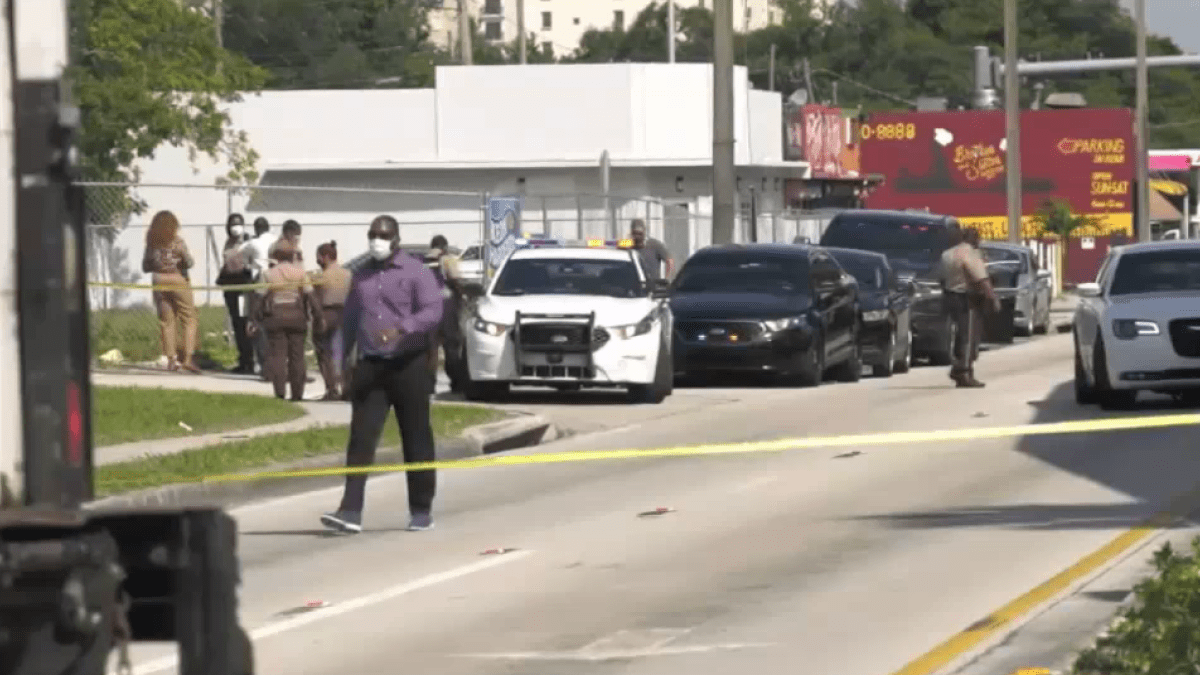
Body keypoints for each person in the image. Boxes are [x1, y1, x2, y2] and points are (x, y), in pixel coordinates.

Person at [320, 215, 444, 534]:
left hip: (409, 365)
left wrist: (403, 328)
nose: (377, 240)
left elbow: (433, 311)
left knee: (416, 438)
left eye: (383, 235)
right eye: (372, 234)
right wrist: (338, 361)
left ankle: (420, 509)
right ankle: (350, 510)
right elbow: (348, 322)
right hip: (371, 366)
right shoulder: (360, 277)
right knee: (360, 439)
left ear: (396, 239)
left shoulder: (416, 272)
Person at [251, 240, 318, 400]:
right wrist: (318, 315)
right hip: (297, 316)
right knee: (297, 356)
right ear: (292, 256)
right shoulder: (301, 273)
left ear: (275, 256)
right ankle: (297, 393)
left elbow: (259, 297)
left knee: (278, 356)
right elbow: (310, 295)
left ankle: (280, 392)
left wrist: (253, 319)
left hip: (276, 317)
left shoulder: (268, 274)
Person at [939, 223, 1000, 388]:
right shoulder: (969, 253)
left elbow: (941, 278)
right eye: (977, 238)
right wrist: (993, 298)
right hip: (968, 299)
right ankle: (963, 371)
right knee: (969, 336)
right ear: (972, 238)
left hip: (950, 296)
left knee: (960, 335)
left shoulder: (947, 254)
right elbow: (981, 278)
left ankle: (961, 370)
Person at [142, 210, 201, 373]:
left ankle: (171, 360)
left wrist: (158, 264)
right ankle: (188, 359)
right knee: (189, 318)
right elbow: (188, 262)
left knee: (167, 321)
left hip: (159, 280)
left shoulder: (152, 244)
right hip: (177, 279)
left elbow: (145, 266)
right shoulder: (178, 242)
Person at [424, 235, 466, 393]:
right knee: (451, 347)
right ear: (445, 247)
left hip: (426, 310)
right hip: (446, 308)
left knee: (430, 348)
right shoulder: (448, 260)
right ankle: (456, 383)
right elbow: (455, 280)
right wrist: (462, 295)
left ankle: (429, 384)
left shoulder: (422, 262)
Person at [312, 240, 352, 401]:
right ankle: (347, 387)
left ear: (325, 257)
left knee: (324, 353)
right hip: (345, 314)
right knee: (344, 353)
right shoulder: (348, 274)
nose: (318, 261)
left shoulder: (320, 276)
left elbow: (315, 298)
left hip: (326, 314)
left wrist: (316, 316)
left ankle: (331, 389)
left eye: (319, 258)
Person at [216, 213, 255, 374]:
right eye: (232, 224)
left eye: (238, 223)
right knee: (236, 324)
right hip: (230, 286)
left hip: (243, 286)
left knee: (245, 322)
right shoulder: (228, 243)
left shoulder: (248, 241)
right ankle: (243, 359)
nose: (235, 227)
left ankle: (251, 360)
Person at [240, 217, 276, 377]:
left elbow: (240, 255)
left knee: (257, 322)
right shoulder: (276, 240)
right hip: (278, 281)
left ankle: (264, 364)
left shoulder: (253, 243)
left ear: (256, 229)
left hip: (260, 280)